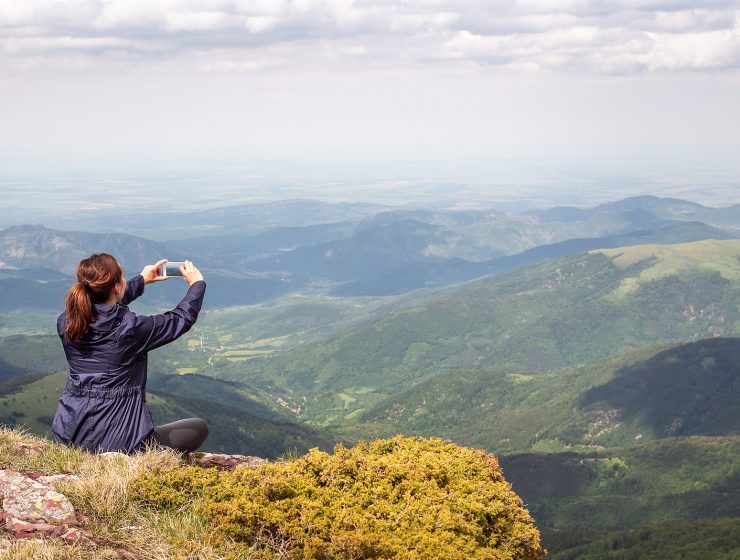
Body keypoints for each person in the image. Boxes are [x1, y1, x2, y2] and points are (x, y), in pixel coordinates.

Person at [52, 253, 209, 454]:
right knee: (198, 427)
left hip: (69, 437)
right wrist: (197, 285)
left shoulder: (67, 321)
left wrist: (142, 281)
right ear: (117, 287)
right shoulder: (130, 330)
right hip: (122, 445)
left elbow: (103, 307)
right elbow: (180, 318)